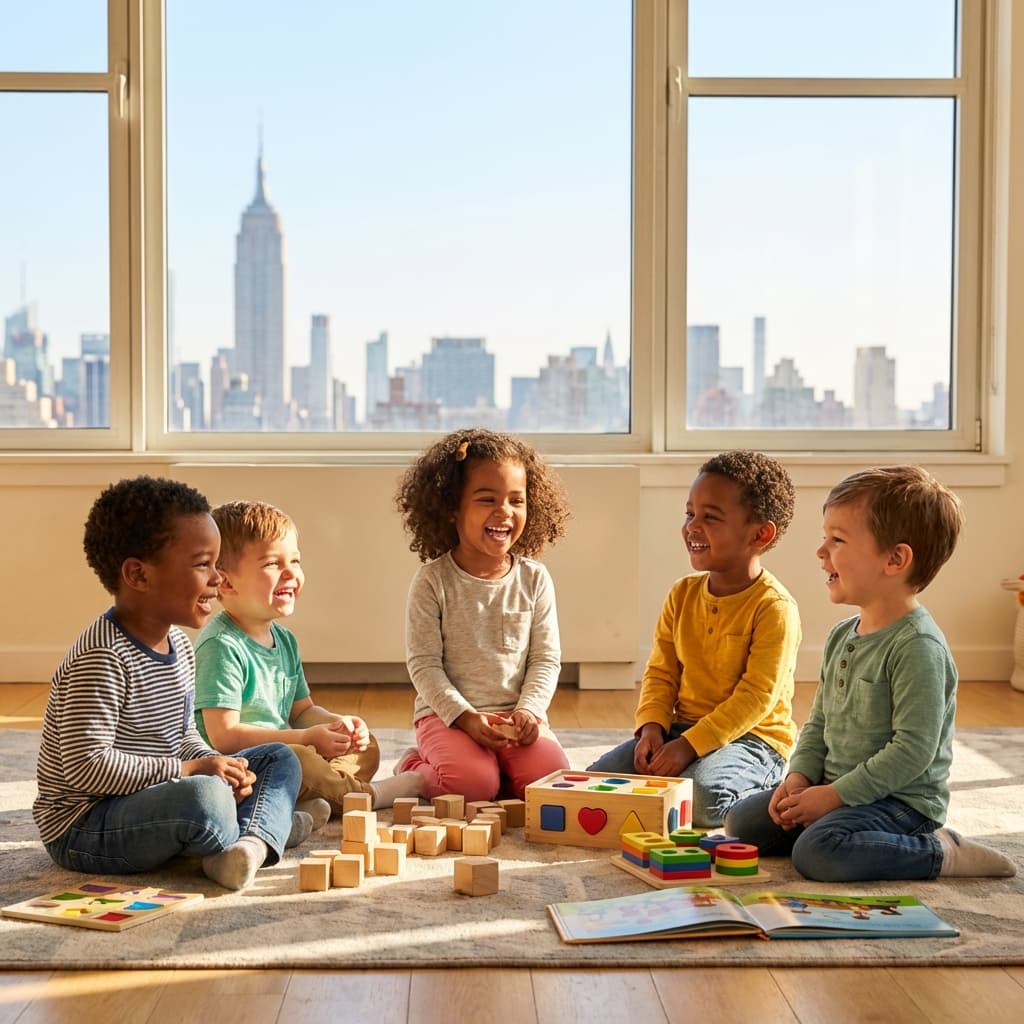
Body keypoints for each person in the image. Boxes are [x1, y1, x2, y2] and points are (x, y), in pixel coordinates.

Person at [724, 465, 1016, 881]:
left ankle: (939, 852)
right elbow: (819, 722)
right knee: (742, 823)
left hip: (900, 802)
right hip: (838, 786)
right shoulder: (842, 635)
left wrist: (834, 796)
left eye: (837, 540)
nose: (821, 551)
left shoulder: (918, 646)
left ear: (895, 559)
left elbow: (913, 751)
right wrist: (801, 777)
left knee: (819, 854)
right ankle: (828, 825)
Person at [33, 476, 303, 892]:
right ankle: (268, 828)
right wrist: (191, 770)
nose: (217, 578)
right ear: (139, 575)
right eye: (202, 565)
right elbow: (86, 769)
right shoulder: (102, 657)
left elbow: (181, 734)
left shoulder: (178, 642)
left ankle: (248, 844)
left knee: (279, 758)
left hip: (155, 792)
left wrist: (217, 763)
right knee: (205, 800)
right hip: (87, 825)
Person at [588, 450, 801, 827]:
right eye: (690, 514)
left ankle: (765, 783)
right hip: (679, 729)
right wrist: (653, 728)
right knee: (594, 783)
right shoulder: (681, 594)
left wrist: (689, 747)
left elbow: (755, 698)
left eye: (710, 517)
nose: (692, 527)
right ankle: (685, 766)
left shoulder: (774, 607)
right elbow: (660, 672)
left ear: (759, 534)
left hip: (752, 741)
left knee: (700, 801)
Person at [194, 500, 424, 815]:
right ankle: (369, 796)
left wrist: (336, 724)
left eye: (295, 561)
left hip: (288, 752)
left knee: (365, 745)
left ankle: (313, 798)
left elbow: (302, 710)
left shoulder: (285, 641)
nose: (291, 573)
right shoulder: (220, 645)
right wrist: (304, 738)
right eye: (272, 564)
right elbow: (225, 737)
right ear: (227, 582)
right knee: (301, 761)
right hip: (242, 770)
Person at [394, 428, 572, 801]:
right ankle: (413, 766)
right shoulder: (432, 581)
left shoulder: (535, 578)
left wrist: (530, 711)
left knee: (551, 784)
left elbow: (545, 659)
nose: (504, 511)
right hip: (450, 718)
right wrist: (464, 717)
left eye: (516, 500)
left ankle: (497, 770)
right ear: (452, 507)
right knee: (471, 788)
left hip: (516, 718)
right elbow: (424, 665)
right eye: (487, 499)